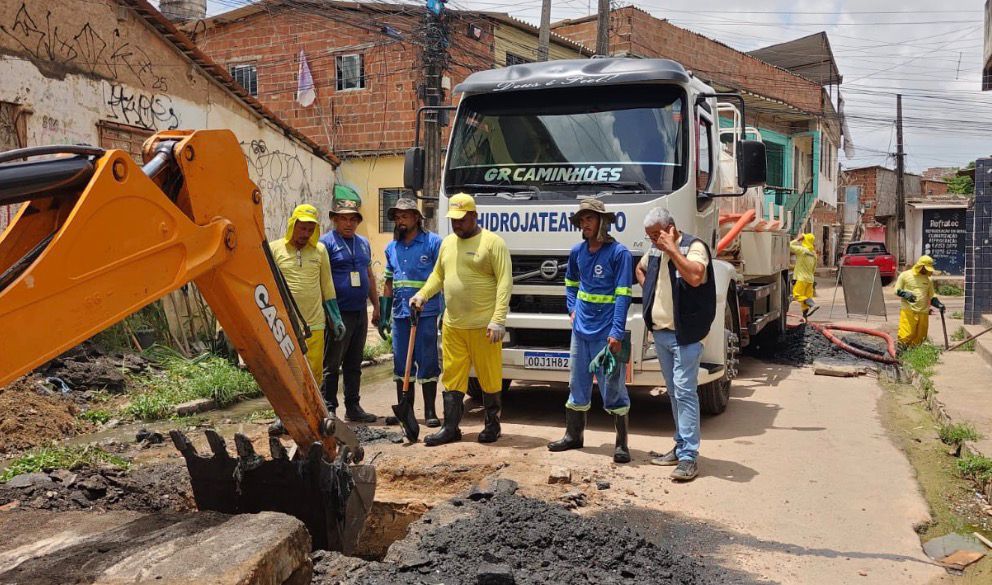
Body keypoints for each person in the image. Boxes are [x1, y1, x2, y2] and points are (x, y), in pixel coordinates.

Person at [410, 193, 512, 447]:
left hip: (484, 326)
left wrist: (498, 319)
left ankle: (492, 426)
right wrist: (422, 294)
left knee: (489, 377)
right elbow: (438, 276)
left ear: (474, 216)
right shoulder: (447, 244)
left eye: (462, 220)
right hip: (453, 325)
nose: (457, 224)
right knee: (452, 377)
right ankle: (450, 427)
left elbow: (504, 282)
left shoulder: (493, 243)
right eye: (454, 220)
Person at [548, 199, 633, 463]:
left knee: (612, 387)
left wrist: (617, 332)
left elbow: (623, 295)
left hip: (606, 333)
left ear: (602, 222)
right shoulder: (577, 251)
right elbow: (570, 283)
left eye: (590, 219)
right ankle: (573, 436)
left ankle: (621, 444)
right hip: (580, 331)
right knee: (577, 384)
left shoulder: (620, 253)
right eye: (582, 220)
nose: (584, 224)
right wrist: (572, 309)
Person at [635, 207, 716, 482]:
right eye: (649, 236)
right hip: (661, 333)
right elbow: (640, 268)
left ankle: (689, 457)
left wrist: (671, 249)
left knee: (685, 392)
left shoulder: (694, 247)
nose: (653, 241)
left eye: (656, 235)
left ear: (670, 228)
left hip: (687, 334)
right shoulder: (655, 251)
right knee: (673, 392)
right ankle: (681, 446)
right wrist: (650, 293)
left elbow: (695, 276)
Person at [267, 204, 346, 436]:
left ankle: (312, 414)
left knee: (313, 372)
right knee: (285, 371)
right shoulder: (274, 249)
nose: (305, 234)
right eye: (302, 228)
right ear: (292, 225)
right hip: (283, 324)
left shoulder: (320, 251)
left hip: (315, 324)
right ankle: (283, 417)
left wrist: (335, 317)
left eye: (310, 229)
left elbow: (327, 286)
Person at [381, 198, 443, 428]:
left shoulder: (433, 243)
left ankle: (430, 411)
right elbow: (389, 282)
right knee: (400, 362)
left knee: (427, 360)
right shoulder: (392, 248)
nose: (400, 221)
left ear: (417, 218)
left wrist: (445, 311)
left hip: (426, 313)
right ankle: (405, 411)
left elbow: (442, 277)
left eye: (405, 216)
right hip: (400, 313)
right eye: (397, 217)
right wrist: (383, 313)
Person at [319, 197, 380, 422]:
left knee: (354, 363)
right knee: (332, 363)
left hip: (359, 311)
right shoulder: (325, 243)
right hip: (337, 313)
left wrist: (376, 306)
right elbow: (320, 278)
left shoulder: (363, 243)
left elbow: (369, 275)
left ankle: (353, 407)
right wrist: (329, 314)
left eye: (353, 219)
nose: (349, 223)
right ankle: (329, 408)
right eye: (344, 219)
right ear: (335, 220)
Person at [895, 255, 944, 348]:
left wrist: (938, 304)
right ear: (920, 266)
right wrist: (905, 294)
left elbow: (932, 296)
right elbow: (896, 290)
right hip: (908, 310)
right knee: (907, 333)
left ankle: (914, 352)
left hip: (923, 312)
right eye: (926, 268)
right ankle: (900, 351)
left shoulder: (928, 279)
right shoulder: (905, 275)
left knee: (920, 336)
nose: (928, 271)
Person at [790, 233, 818, 320]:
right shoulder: (814, 254)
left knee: (797, 295)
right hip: (810, 280)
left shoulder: (802, 250)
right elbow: (813, 269)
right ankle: (805, 318)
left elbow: (789, 245)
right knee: (805, 300)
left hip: (801, 278)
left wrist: (797, 239)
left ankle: (812, 304)